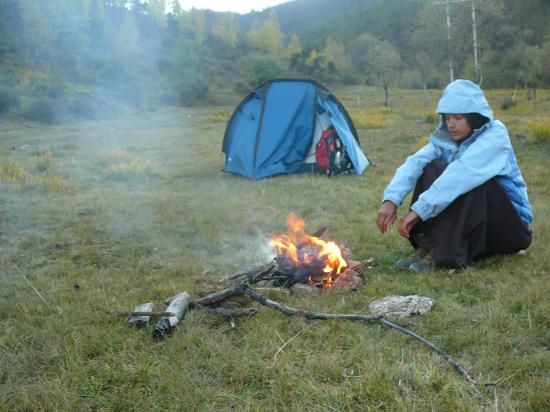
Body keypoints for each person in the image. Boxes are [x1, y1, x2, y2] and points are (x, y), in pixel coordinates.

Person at [376, 79, 533, 272]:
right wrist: (391, 200)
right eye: (447, 118)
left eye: (458, 118)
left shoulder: (495, 136)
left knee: (471, 182)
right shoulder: (445, 140)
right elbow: (413, 163)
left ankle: (444, 253)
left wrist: (418, 211)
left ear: (474, 117)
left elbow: (461, 174)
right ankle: (428, 244)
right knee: (430, 167)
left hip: (510, 228)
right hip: (482, 222)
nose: (451, 124)